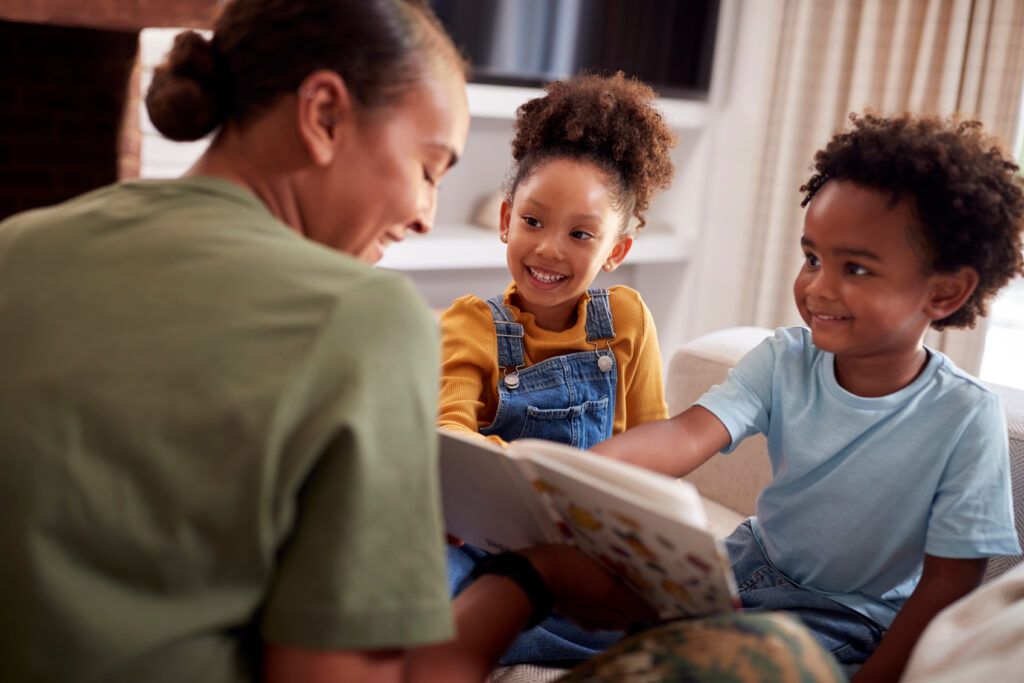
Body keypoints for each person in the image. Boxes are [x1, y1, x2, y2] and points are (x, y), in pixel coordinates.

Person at [0, 2, 658, 681]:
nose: (425, 216)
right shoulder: (366, 318)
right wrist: (534, 577)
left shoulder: (17, 247)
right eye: (428, 168)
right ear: (323, 116)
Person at [591, 111, 1024, 681]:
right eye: (813, 257)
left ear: (944, 291)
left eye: (856, 268)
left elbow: (949, 583)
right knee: (563, 605)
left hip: (845, 618)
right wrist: (576, 472)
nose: (817, 285)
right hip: (743, 564)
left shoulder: (965, 417)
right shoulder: (785, 358)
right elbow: (685, 434)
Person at [438, 72, 678, 668]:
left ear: (616, 250)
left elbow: (656, 443)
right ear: (505, 218)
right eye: (533, 221)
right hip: (485, 544)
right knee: (416, 595)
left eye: (581, 234)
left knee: (656, 618)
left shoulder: (625, 318)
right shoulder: (471, 323)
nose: (549, 248)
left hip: (591, 549)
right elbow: (448, 432)